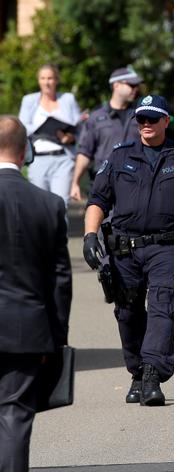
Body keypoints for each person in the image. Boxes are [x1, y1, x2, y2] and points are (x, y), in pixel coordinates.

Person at [83, 95, 174, 406]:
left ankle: (153, 374)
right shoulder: (118, 157)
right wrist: (90, 235)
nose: (145, 124)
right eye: (141, 119)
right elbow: (98, 200)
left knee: (162, 306)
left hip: (166, 247)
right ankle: (138, 372)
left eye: (152, 119)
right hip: (124, 248)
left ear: (166, 121)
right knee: (127, 312)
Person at [0, 115, 72, 472]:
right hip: (26, 332)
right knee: (14, 417)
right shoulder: (49, 205)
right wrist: (57, 338)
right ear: (25, 150)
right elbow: (60, 280)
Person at [70, 67, 143, 202]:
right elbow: (85, 152)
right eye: (131, 85)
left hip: (136, 182)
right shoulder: (96, 117)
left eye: (137, 86)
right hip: (104, 183)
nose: (135, 89)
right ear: (116, 85)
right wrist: (75, 183)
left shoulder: (141, 115)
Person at [18, 63, 82, 207]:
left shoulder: (68, 99)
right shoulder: (29, 100)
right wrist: (44, 127)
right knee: (39, 205)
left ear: (56, 80)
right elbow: (22, 128)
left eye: (50, 78)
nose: (47, 82)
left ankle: (60, 230)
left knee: (60, 204)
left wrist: (70, 137)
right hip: (38, 159)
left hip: (63, 158)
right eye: (43, 78)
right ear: (38, 80)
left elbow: (79, 127)